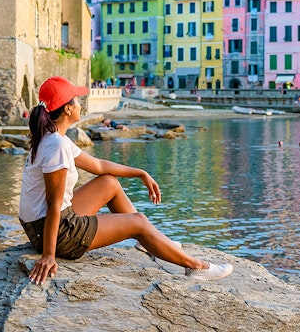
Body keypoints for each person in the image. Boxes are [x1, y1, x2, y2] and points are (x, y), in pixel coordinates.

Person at [19, 76, 232, 285]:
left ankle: (153, 241)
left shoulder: (53, 138)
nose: (80, 105)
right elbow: (53, 204)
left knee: (108, 182)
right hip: (57, 234)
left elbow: (100, 166)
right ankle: (195, 267)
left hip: (43, 225)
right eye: (77, 100)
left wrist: (141, 173)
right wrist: (49, 255)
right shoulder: (57, 146)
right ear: (67, 109)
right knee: (138, 221)